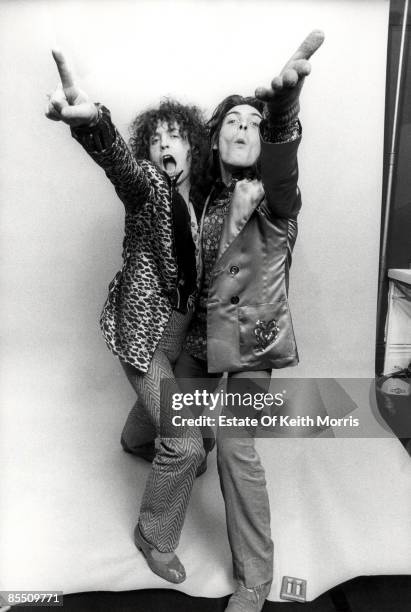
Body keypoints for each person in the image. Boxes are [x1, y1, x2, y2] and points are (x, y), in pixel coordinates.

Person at [45, 51, 211, 584]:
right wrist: (93, 124)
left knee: (185, 433)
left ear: (192, 145)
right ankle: (153, 534)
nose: (164, 145)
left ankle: (136, 441)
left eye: (175, 136)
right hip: (141, 337)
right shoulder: (148, 194)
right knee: (186, 445)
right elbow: (120, 164)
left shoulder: (203, 205)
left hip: (178, 341)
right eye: (156, 138)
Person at [173, 31, 325, 611]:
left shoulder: (276, 199)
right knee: (158, 429)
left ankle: (256, 579)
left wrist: (283, 109)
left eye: (253, 123)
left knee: (235, 445)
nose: (242, 128)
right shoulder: (204, 198)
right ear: (214, 141)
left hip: (252, 350)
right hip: (199, 341)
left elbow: (284, 162)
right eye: (232, 121)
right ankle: (178, 441)